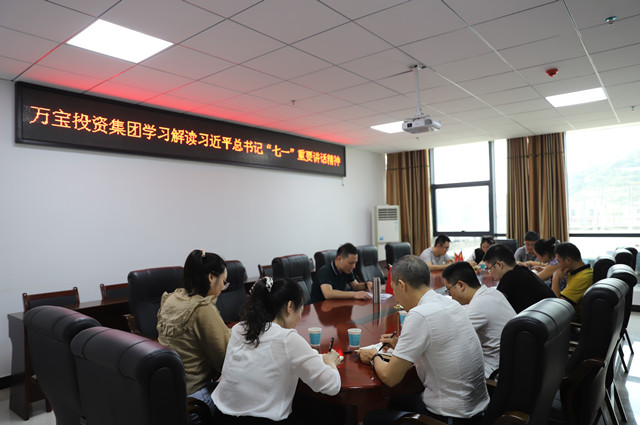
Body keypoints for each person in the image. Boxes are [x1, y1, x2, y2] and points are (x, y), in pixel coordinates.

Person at [358, 256, 489, 425]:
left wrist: (373, 356)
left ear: (402, 285)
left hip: (452, 417)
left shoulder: (420, 314)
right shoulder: (451, 304)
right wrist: (399, 345)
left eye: (394, 290)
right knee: (397, 402)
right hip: (477, 411)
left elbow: (390, 377)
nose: (395, 297)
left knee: (371, 418)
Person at [212, 277, 341, 424]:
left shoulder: (239, 328)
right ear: (290, 306)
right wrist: (330, 362)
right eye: (301, 310)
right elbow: (331, 386)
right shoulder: (287, 339)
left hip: (220, 416)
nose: (300, 317)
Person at [156, 250, 231, 417]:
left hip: (168, 395)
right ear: (211, 277)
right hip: (193, 400)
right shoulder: (202, 308)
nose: (222, 288)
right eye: (223, 282)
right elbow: (225, 361)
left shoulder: (172, 298)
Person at [442, 262, 516, 377]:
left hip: (494, 370)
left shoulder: (479, 304)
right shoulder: (492, 292)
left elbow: (451, 338)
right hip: (510, 361)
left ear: (461, 285)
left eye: (449, 290)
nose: (450, 296)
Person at [483, 244, 555, 313]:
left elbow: (492, 308)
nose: (491, 274)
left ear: (499, 265)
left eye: (489, 268)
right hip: (554, 315)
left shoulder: (509, 277)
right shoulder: (523, 270)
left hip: (542, 319)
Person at [552, 242, 594, 321]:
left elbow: (557, 305)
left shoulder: (582, 278)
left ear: (568, 260)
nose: (558, 265)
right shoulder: (578, 273)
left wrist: (555, 277)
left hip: (570, 320)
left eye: (559, 262)